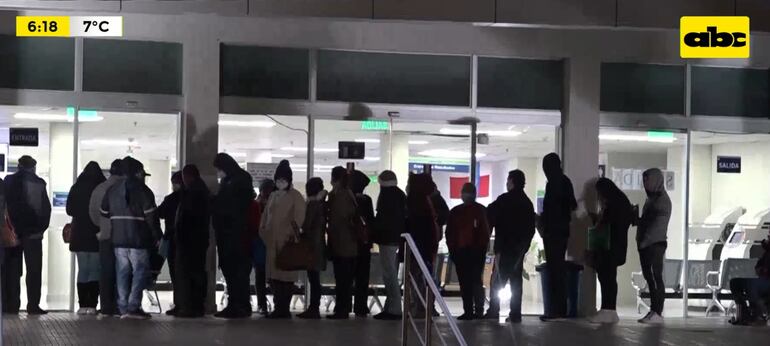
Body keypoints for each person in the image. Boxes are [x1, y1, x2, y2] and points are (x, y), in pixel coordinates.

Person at [101, 157, 162, 320]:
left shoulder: (112, 190)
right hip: (138, 239)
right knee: (140, 272)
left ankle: (122, 307)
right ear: (138, 172)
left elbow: (104, 211)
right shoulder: (143, 190)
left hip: (118, 239)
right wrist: (157, 236)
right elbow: (151, 217)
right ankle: (133, 306)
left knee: (122, 272)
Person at [2, 155, 52, 315]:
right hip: (33, 234)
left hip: (12, 233)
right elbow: (45, 209)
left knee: (12, 270)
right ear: (33, 167)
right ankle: (33, 305)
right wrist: (41, 228)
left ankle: (12, 305)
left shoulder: (8, 182)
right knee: (34, 270)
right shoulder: (38, 183)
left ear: (19, 166)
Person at [485, 170, 536, 323]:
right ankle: (515, 313)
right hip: (518, 250)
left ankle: (494, 310)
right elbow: (530, 229)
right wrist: (524, 247)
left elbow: (489, 213)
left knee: (497, 281)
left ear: (512, 181)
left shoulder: (504, 200)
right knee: (516, 282)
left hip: (504, 248)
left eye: (508, 181)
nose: (506, 184)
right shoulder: (527, 203)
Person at [259, 160, 305, 319]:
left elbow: (299, 218)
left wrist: (291, 234)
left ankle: (283, 308)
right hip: (271, 242)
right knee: (274, 277)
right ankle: (279, 307)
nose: (280, 183)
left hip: (287, 243)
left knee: (286, 277)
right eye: (278, 180)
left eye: (283, 180)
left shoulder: (295, 196)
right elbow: (266, 216)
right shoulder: (273, 195)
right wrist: (263, 231)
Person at [212, 153, 255, 319]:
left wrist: (219, 204)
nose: (218, 172)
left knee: (238, 271)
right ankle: (234, 304)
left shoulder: (241, 179)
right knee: (230, 271)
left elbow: (237, 205)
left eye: (219, 169)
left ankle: (241, 305)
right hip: (226, 233)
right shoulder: (228, 180)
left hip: (237, 233)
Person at [587, 178, 634, 324]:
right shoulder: (621, 201)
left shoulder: (613, 204)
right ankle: (609, 310)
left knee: (607, 278)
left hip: (609, 247)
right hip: (616, 247)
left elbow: (608, 224)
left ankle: (608, 310)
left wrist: (597, 219)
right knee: (609, 277)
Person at [539, 153, 577, 321]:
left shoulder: (555, 183)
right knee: (557, 269)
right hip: (560, 231)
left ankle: (557, 310)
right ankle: (557, 309)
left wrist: (544, 221)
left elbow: (552, 209)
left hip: (554, 232)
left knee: (556, 270)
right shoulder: (565, 181)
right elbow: (573, 204)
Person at [66, 161, 106, 315]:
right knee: (95, 270)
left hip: (79, 234)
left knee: (83, 269)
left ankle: (82, 304)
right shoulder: (101, 188)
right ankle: (92, 304)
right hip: (95, 233)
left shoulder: (76, 187)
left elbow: (69, 210)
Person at [446, 183, 490, 320]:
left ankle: (469, 311)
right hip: (476, 252)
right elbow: (486, 233)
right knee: (476, 281)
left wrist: (452, 250)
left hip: (461, 252)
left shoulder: (455, 212)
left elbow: (450, 234)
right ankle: (478, 311)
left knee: (465, 283)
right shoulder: (482, 210)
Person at [173, 165, 211, 318]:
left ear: (188, 176)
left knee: (190, 274)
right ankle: (194, 306)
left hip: (191, 241)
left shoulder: (194, 193)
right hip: (196, 240)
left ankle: (191, 306)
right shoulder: (199, 191)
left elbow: (188, 218)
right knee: (196, 273)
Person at [89, 159, 124, 316]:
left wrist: (103, 226)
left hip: (104, 236)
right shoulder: (124, 188)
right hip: (123, 237)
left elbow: (93, 213)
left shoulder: (99, 189)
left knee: (106, 272)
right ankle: (120, 304)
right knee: (122, 271)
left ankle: (106, 306)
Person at [636, 168, 671, 324]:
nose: (645, 184)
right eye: (644, 180)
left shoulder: (662, 200)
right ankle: (653, 310)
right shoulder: (650, 199)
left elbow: (654, 224)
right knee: (649, 278)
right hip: (645, 243)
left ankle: (657, 311)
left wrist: (644, 239)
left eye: (648, 180)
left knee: (655, 277)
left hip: (654, 243)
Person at [405, 173, 441, 317]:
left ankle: (419, 307)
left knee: (417, 277)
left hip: (417, 247)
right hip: (427, 246)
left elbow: (414, 225)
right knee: (425, 277)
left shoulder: (415, 202)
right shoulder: (427, 201)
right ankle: (426, 306)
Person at [372, 170, 405, 320]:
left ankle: (394, 308)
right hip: (396, 238)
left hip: (387, 239)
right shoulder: (400, 194)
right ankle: (391, 306)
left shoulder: (386, 195)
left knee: (389, 274)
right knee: (391, 272)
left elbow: (382, 218)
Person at [326, 166, 358, 319]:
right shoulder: (346, 193)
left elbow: (339, 220)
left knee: (343, 278)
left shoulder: (341, 195)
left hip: (343, 243)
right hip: (347, 243)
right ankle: (342, 307)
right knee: (343, 278)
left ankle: (342, 309)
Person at [297, 177, 327, 319]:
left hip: (311, 245)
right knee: (315, 279)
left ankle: (313, 308)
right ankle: (314, 306)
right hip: (319, 244)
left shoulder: (312, 204)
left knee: (313, 279)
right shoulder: (321, 203)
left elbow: (306, 224)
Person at [729, 233, 770, 326]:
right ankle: (743, 313)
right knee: (734, 282)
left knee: (752, 284)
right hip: (763, 280)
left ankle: (758, 314)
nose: (768, 237)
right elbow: (759, 266)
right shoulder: (767, 252)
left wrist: (765, 270)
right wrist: (760, 269)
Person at [158, 171, 183, 316]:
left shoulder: (170, 199)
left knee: (175, 273)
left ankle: (178, 303)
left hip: (172, 239)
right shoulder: (191, 197)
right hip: (188, 240)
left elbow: (159, 213)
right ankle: (187, 302)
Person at [351, 170, 375, 317]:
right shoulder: (367, 200)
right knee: (362, 277)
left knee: (347, 276)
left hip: (351, 242)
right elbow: (371, 221)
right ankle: (361, 306)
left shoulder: (349, 199)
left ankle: (346, 305)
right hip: (364, 243)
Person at [252, 179, 276, 316]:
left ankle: (270, 303)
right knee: (261, 275)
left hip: (267, 244)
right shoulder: (257, 205)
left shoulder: (273, 204)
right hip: (259, 244)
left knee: (270, 276)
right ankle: (262, 304)